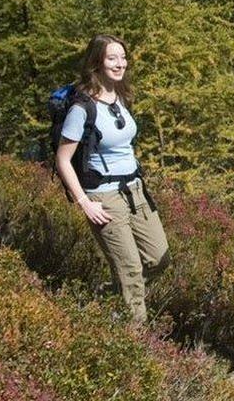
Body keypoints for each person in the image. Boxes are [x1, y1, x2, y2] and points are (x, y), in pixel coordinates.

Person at [54, 34, 169, 323]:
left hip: (135, 190)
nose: (120, 64)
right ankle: (137, 341)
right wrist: (84, 203)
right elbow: (63, 160)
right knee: (130, 269)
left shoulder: (121, 96)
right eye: (112, 58)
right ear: (97, 62)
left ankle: (111, 296)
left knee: (159, 258)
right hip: (103, 197)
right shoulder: (82, 108)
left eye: (123, 57)